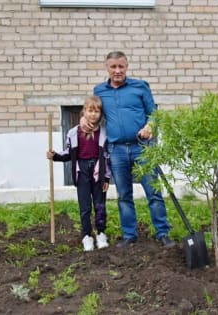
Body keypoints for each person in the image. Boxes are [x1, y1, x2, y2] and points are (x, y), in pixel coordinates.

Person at [82, 51, 176, 249]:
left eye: (121, 67)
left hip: (142, 147)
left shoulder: (140, 87)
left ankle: (163, 233)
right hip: (116, 150)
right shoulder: (99, 90)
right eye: (113, 67)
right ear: (107, 68)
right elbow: (94, 112)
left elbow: (154, 114)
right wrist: (84, 118)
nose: (117, 71)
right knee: (124, 195)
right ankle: (129, 235)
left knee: (154, 192)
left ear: (126, 67)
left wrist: (150, 126)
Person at [47, 95, 111, 252]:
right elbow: (68, 153)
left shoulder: (104, 134)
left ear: (100, 114)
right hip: (81, 172)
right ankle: (86, 236)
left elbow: (107, 157)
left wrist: (107, 177)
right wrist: (55, 156)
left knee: (100, 206)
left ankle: (101, 233)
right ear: (84, 111)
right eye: (90, 110)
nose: (93, 114)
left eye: (97, 111)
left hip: (98, 172)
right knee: (85, 207)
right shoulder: (73, 133)